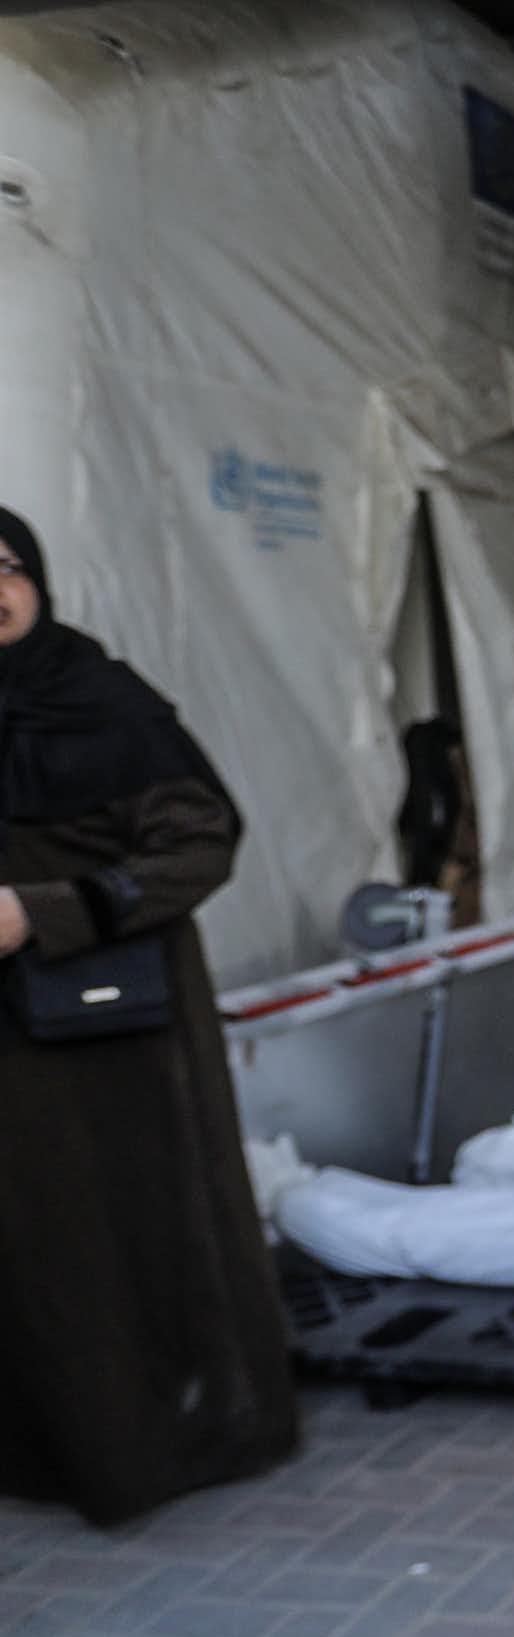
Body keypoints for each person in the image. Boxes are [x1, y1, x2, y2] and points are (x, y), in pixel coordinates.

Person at [0, 506, 297, 1523]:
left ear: (37, 581)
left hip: (113, 1040)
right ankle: (52, 1451)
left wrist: (43, 911)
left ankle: (173, 1441)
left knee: (127, 1234)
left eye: (4, 569)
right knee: (33, 1247)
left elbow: (200, 848)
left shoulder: (107, 705)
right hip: (9, 1050)